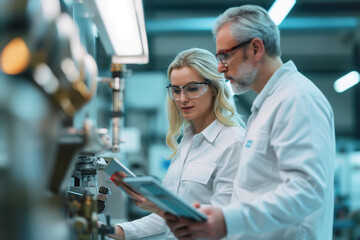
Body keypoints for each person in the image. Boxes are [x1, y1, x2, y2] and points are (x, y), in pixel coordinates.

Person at [165, 4, 336, 240]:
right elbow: (254, 193)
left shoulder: (297, 99)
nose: (220, 67)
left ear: (256, 48)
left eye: (225, 55)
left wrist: (227, 220)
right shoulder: (266, 106)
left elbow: (307, 191)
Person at [108, 48, 246, 239]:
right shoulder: (187, 142)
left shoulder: (233, 142)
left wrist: (160, 207)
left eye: (192, 88)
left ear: (214, 89)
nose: (182, 99)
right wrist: (115, 231)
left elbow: (223, 219)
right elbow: (164, 218)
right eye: (176, 90)